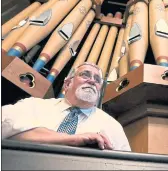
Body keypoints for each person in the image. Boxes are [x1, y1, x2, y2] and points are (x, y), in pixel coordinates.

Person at [2, 62, 131, 151]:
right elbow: (4, 125)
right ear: (68, 83)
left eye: (97, 80)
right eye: (85, 75)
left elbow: (125, 165)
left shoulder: (112, 126)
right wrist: (73, 140)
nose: (92, 81)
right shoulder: (34, 105)